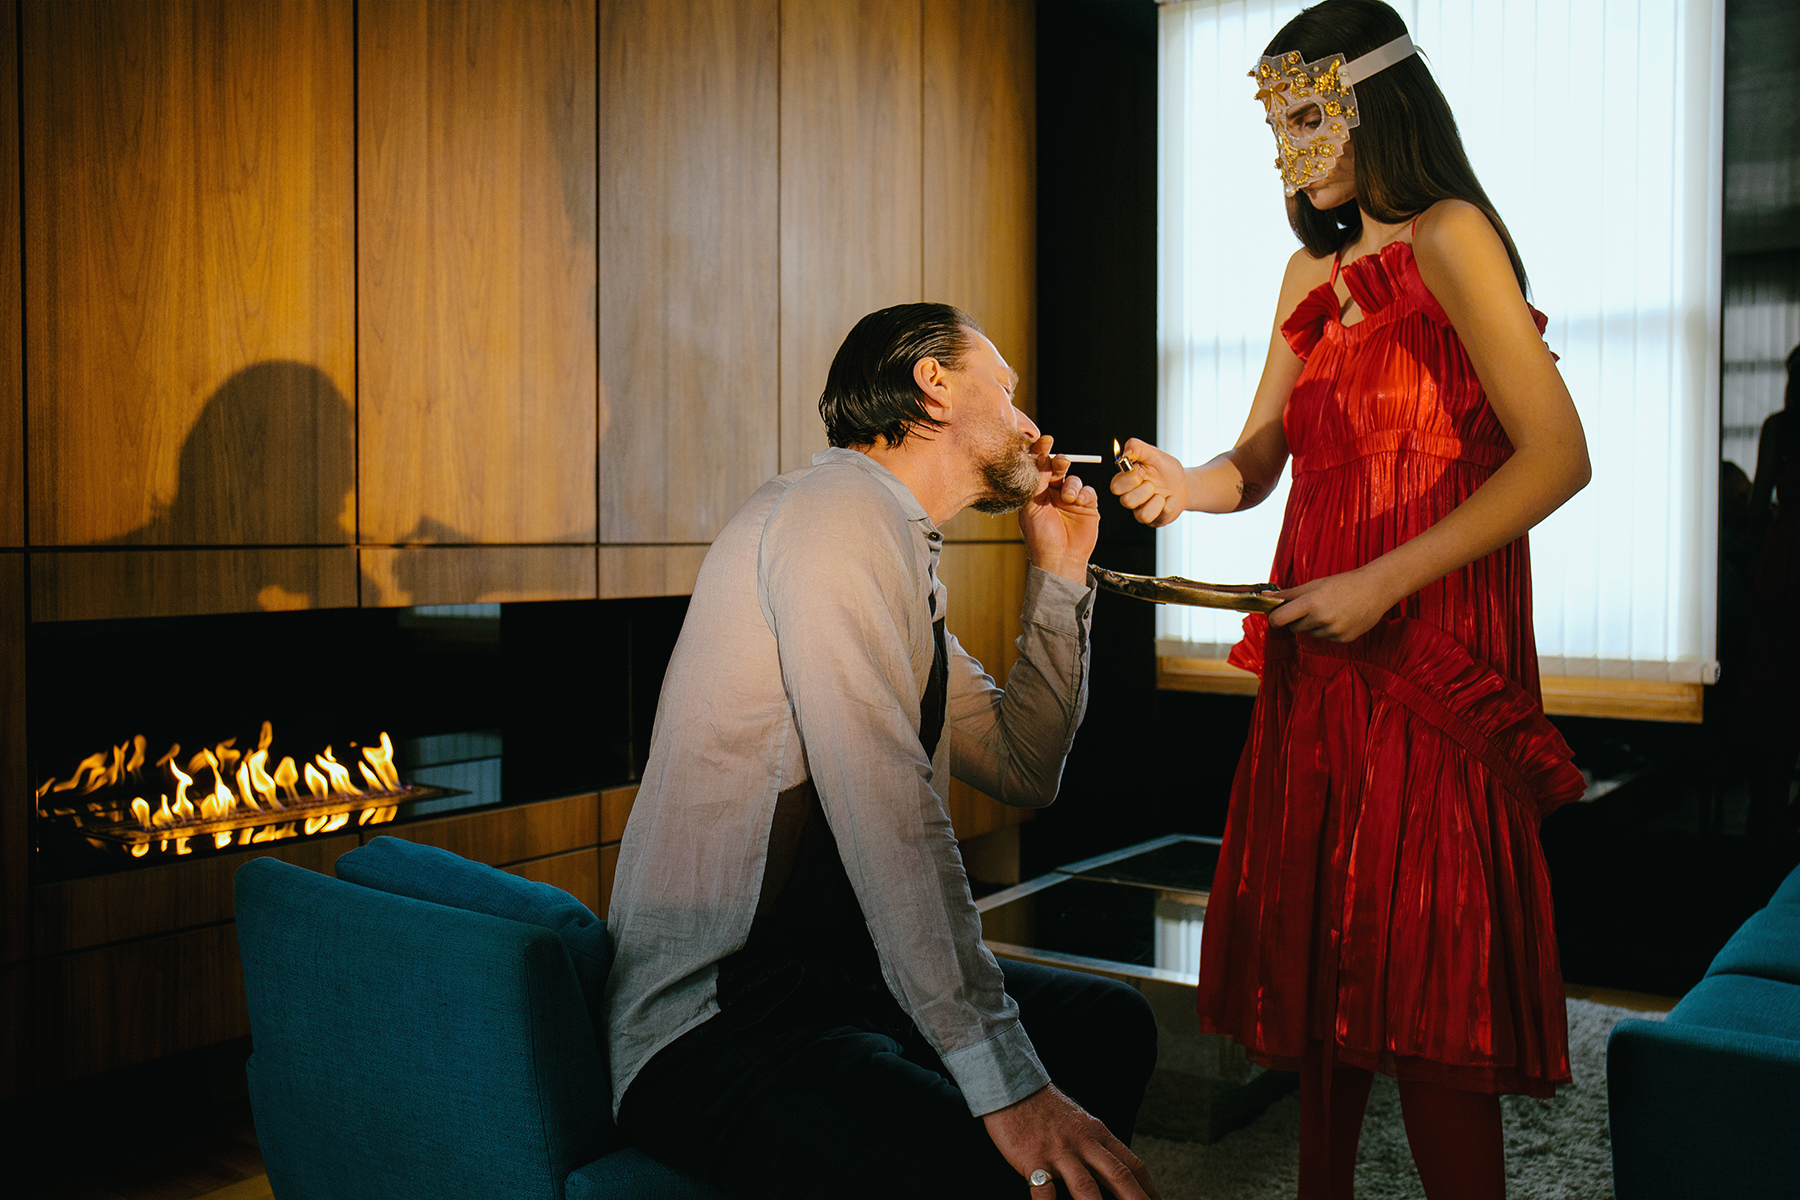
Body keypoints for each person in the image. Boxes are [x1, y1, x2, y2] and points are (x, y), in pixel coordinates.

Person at [1110, 3, 1591, 1198]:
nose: (1289, 146)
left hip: (1425, 642)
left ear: (1375, 103)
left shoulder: (1452, 235)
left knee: (1428, 952)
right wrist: (1182, 484)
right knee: (1325, 944)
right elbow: (1256, 461)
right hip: (1320, 650)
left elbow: (1557, 456)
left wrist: (1382, 582)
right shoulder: (1308, 274)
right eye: (1275, 122)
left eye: (1307, 115)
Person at [603, 303, 1162, 1200]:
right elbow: (889, 812)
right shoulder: (833, 515)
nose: (1030, 422)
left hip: (842, 984)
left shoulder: (895, 552)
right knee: (976, 1165)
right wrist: (1010, 1085)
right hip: (723, 1020)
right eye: (1007, 390)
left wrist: (1060, 574)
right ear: (933, 386)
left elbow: (1025, 766)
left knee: (1108, 1023)